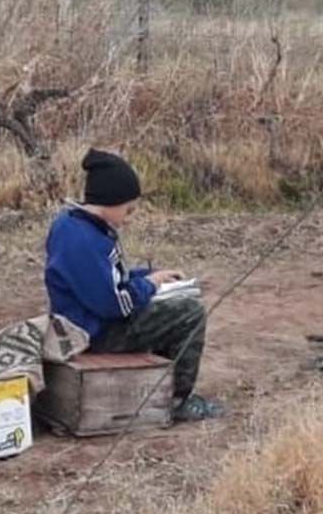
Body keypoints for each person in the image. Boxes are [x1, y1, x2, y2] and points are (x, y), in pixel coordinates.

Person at [44, 148, 223, 422]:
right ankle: (177, 399)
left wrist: (149, 277)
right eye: (129, 209)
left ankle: (161, 386)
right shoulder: (85, 241)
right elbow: (114, 304)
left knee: (164, 304)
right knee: (189, 313)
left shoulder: (73, 225)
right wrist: (149, 286)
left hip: (83, 323)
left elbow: (108, 280)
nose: (130, 217)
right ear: (111, 201)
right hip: (94, 334)